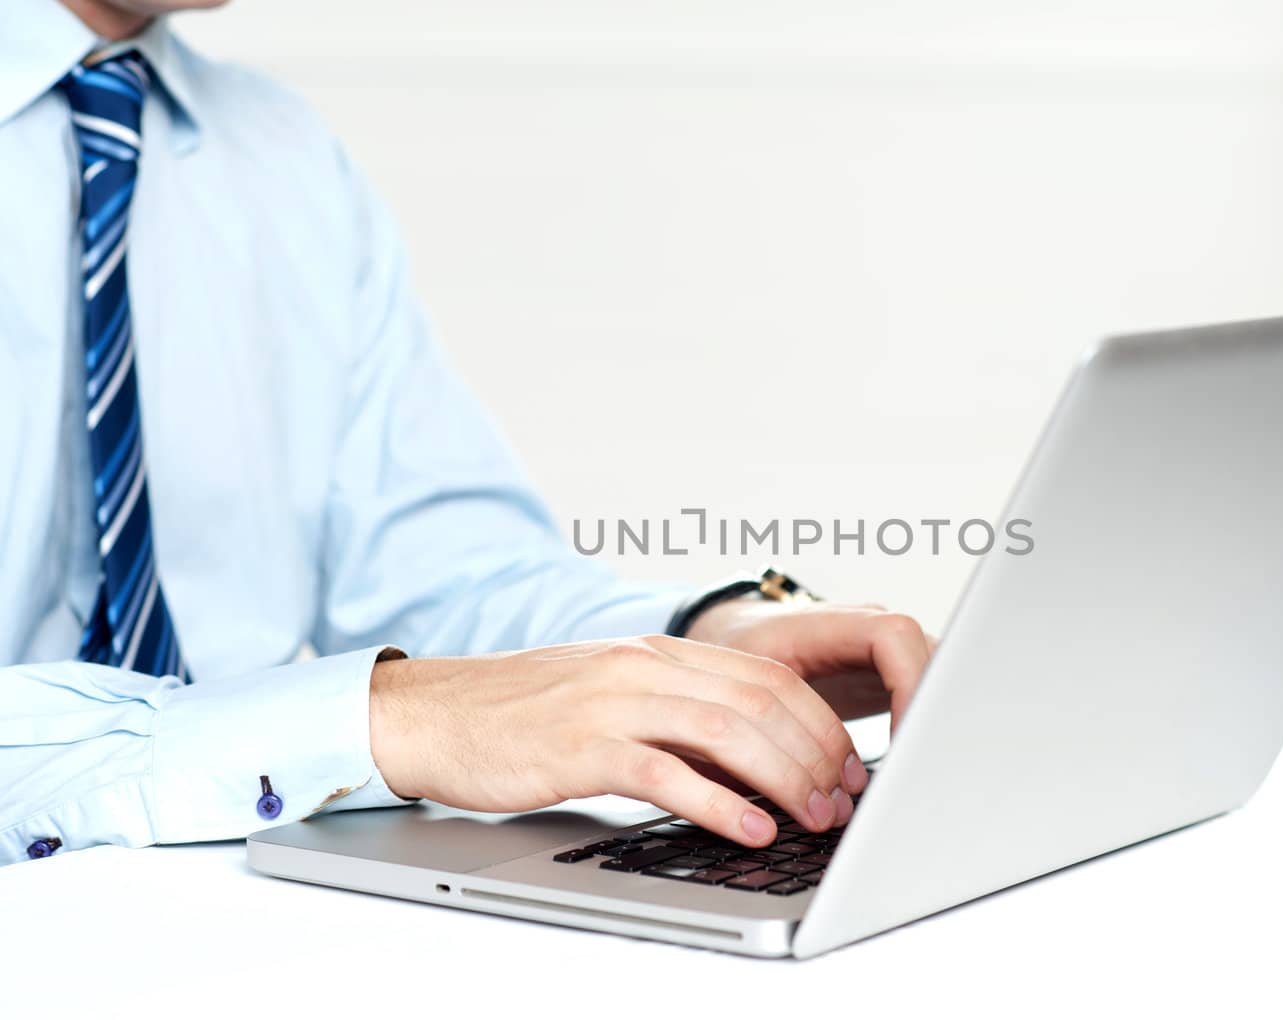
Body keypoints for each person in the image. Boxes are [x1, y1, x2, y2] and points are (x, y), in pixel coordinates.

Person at [0, 0, 935, 866]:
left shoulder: (278, 153)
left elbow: (438, 577)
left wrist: (699, 647)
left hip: (218, 918)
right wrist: (385, 719)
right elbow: (427, 710)